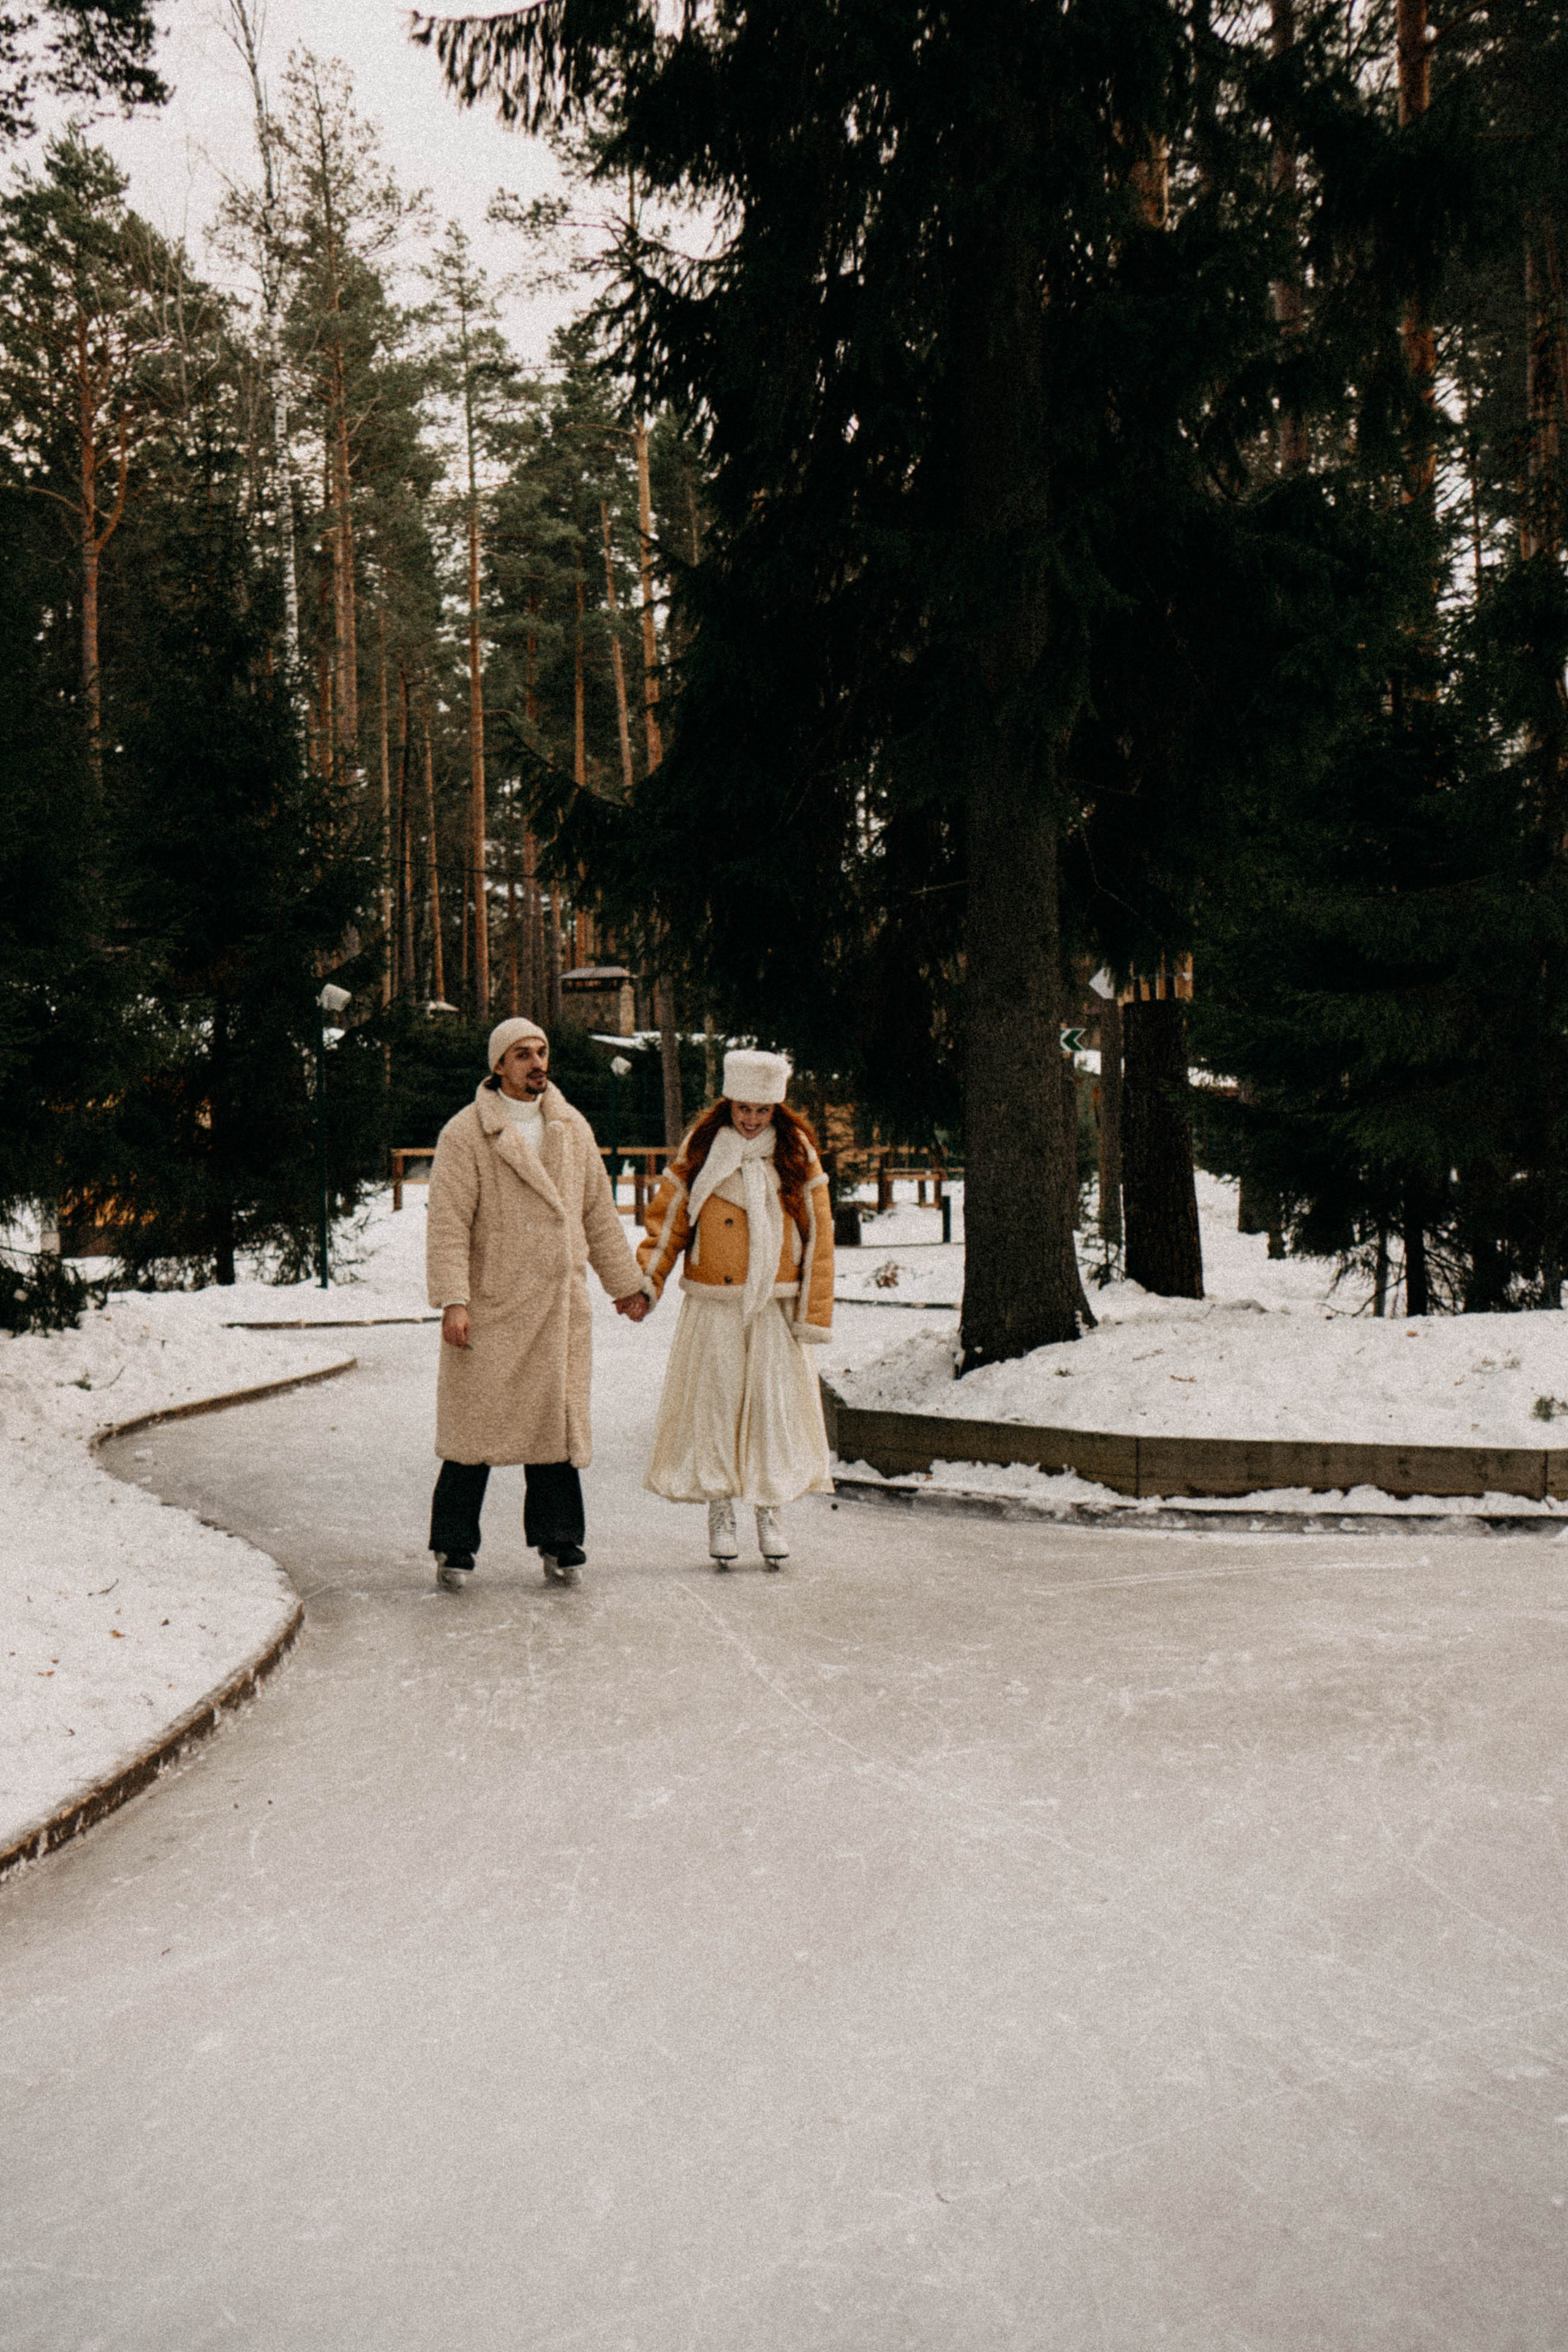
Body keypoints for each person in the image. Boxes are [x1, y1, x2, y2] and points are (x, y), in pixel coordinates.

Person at [424, 1016, 652, 1591]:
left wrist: (625, 1285)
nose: (536, 1063)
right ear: (498, 1066)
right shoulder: (466, 1133)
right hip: (493, 1304)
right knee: (475, 1431)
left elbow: (597, 1214)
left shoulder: (571, 1127)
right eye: (522, 1054)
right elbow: (448, 1225)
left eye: (542, 1051)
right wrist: (454, 1300)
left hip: (556, 1305)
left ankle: (561, 1540)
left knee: (555, 1427)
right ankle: (454, 1546)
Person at [638, 1050, 834, 1567]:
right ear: (729, 1104)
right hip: (716, 1302)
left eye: (762, 1111)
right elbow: (670, 1221)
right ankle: (720, 1507)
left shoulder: (798, 1155)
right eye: (744, 1108)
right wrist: (647, 1282)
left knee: (771, 1408)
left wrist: (813, 1314)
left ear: (777, 1109)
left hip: (774, 1302)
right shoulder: (701, 1150)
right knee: (717, 1405)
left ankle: (768, 1510)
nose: (752, 1120)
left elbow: (819, 1238)